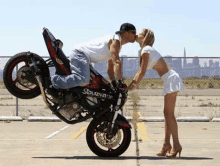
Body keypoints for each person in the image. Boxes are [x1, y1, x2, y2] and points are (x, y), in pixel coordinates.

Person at [127, 28, 184, 158]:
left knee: (170, 115)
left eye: (139, 34)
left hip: (171, 79)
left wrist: (133, 86)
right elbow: (139, 71)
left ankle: (176, 145)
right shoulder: (145, 50)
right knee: (167, 114)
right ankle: (166, 145)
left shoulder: (146, 50)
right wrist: (131, 84)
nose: (136, 36)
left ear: (145, 37)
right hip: (168, 79)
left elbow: (142, 72)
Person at [51, 23, 137, 90]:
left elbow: (110, 67)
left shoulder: (117, 43)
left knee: (95, 83)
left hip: (85, 58)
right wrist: (120, 81)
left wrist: (114, 81)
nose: (136, 35)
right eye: (134, 32)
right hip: (80, 53)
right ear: (126, 34)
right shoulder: (115, 42)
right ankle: (53, 81)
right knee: (83, 80)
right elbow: (117, 62)